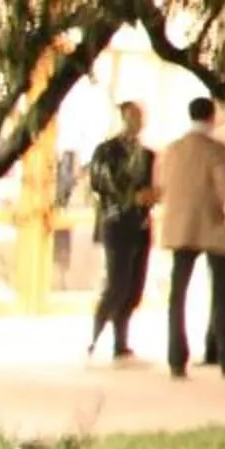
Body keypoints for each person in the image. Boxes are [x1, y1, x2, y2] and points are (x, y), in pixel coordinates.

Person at [153, 97, 225, 380]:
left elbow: (161, 186)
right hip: (212, 225)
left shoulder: (172, 150)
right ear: (211, 118)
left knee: (178, 295)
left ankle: (176, 358)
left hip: (179, 227)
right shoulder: (216, 151)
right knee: (223, 294)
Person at [84, 101, 160, 361]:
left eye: (139, 118)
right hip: (116, 222)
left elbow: (155, 184)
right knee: (117, 282)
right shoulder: (106, 151)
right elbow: (100, 181)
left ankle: (121, 340)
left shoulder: (149, 155)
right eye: (131, 118)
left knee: (135, 286)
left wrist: (152, 196)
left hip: (141, 224)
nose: (135, 123)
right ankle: (95, 335)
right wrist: (131, 196)